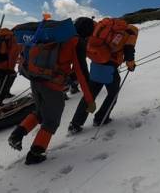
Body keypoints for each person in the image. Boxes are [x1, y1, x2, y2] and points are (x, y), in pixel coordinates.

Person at [8, 18, 95, 165]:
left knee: (40, 112)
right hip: (53, 86)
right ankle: (35, 153)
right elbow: (81, 73)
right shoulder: (75, 42)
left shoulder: (56, 36)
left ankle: (17, 135)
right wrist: (89, 99)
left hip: (35, 80)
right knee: (51, 120)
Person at [68, 18, 138, 134]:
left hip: (96, 65)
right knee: (112, 94)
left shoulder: (98, 30)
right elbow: (129, 51)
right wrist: (130, 64)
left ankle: (75, 124)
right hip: (110, 68)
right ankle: (101, 118)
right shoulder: (128, 32)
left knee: (89, 96)